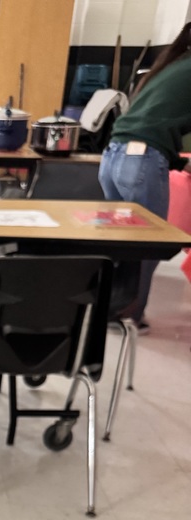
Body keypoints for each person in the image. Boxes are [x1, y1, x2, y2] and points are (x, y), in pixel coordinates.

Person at [98, 22, 191, 331]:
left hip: (113, 158)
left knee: (120, 243)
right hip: (140, 162)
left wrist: (177, 161)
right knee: (147, 246)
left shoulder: (171, 66)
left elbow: (151, 122)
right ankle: (127, 316)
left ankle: (107, 308)